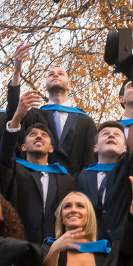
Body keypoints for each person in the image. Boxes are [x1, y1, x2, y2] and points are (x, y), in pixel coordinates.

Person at [0, 91, 77, 244]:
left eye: (44, 135)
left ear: (51, 148)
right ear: (23, 147)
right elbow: (5, 153)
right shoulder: (13, 171)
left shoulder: (65, 180)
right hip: (15, 247)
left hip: (53, 249)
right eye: (32, 134)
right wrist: (17, 117)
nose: (39, 136)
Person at [76, 89, 133, 243]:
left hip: (122, 245)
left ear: (125, 149)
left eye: (117, 134)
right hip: (88, 246)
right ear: (95, 147)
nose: (111, 135)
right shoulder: (81, 176)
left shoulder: (130, 170)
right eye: (105, 133)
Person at [8, 43, 97, 174]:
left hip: (73, 182)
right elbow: (13, 119)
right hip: (35, 179)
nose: (55, 75)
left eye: (61, 74)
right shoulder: (34, 115)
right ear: (45, 87)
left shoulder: (85, 120)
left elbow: (90, 159)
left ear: (69, 86)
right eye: (51, 74)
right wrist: (17, 72)